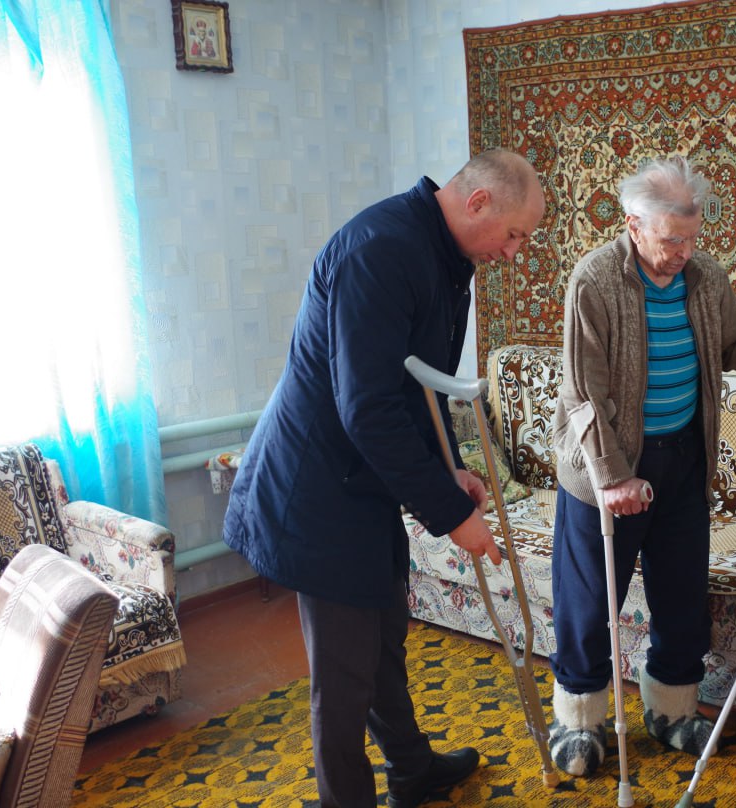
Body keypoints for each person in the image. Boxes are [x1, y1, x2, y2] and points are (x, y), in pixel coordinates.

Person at [223, 149, 545, 808]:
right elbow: (367, 407)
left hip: (365, 482)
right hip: (316, 488)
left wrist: (451, 469)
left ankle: (411, 769)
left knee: (384, 643)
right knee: (343, 677)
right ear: (477, 201)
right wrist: (452, 516)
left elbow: (421, 389)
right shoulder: (381, 250)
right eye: (515, 234)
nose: (516, 252)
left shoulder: (447, 258)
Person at [548, 155, 736, 776]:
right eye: (672, 240)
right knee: (589, 603)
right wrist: (613, 478)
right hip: (603, 470)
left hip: (684, 459)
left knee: (681, 595)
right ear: (634, 225)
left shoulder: (705, 278)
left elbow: (729, 348)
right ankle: (579, 721)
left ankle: (670, 709)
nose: (684, 252)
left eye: (693, 238)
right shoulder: (594, 281)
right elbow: (583, 397)